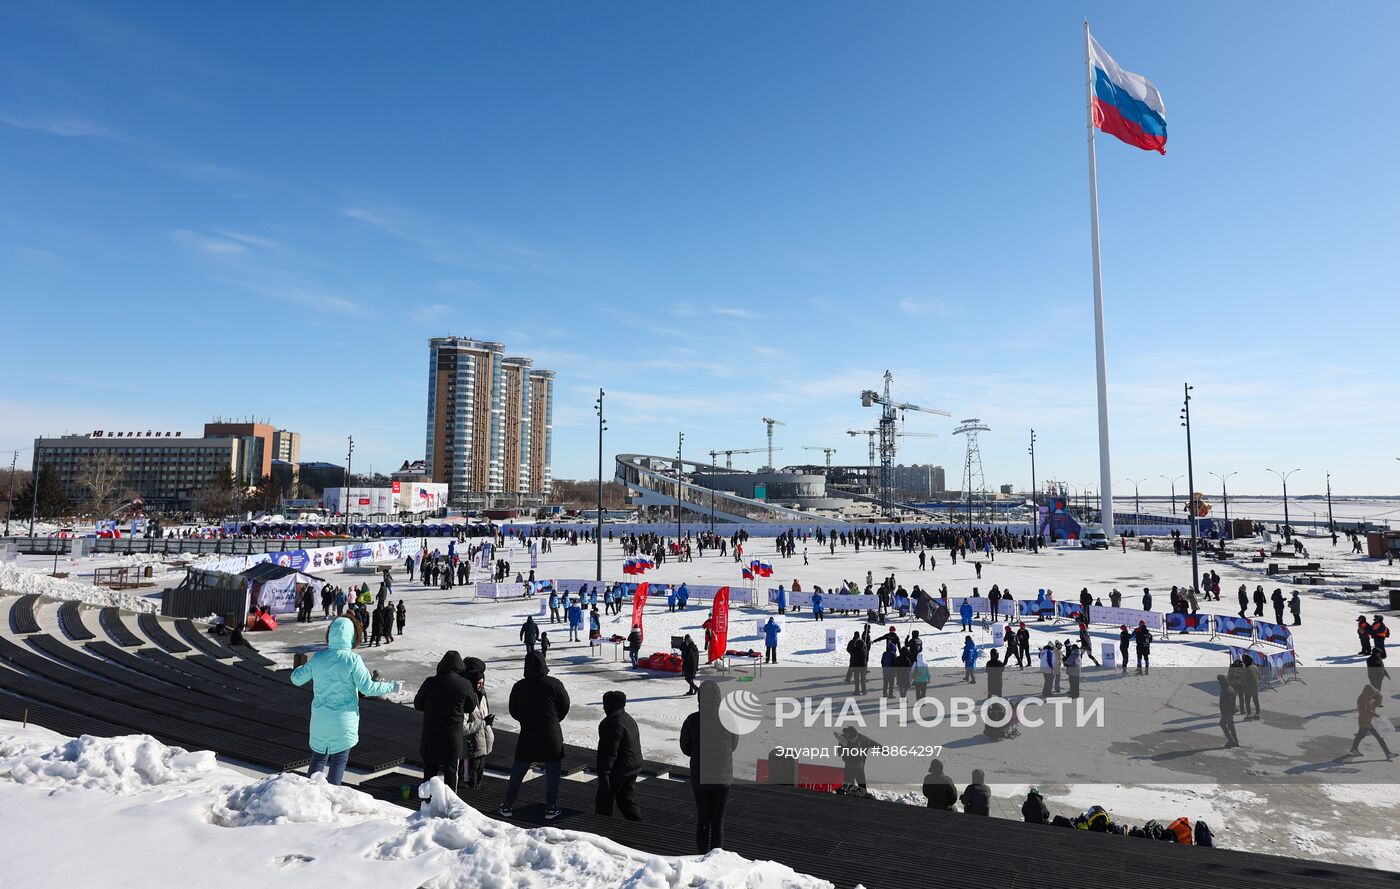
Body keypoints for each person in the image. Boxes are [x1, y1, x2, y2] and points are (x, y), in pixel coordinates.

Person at [289, 616, 399, 785]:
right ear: (351, 636)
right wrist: (391, 687)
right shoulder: (352, 660)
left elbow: (296, 679)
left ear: (331, 634)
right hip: (343, 722)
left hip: (320, 719)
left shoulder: (319, 658)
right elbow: (367, 688)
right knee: (339, 760)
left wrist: (306, 668)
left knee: (318, 758)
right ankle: (332, 797)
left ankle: (308, 796)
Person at [498, 651, 571, 820]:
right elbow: (565, 705)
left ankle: (507, 805)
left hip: (528, 733)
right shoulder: (554, 684)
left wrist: (526, 720)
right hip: (551, 735)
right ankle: (551, 808)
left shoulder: (519, 686)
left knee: (519, 770)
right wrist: (554, 719)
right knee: (553, 771)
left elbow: (513, 710)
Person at [679, 680, 739, 853]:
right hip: (722, 777)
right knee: (718, 821)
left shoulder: (692, 721)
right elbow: (733, 745)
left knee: (703, 819)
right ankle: (715, 859)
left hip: (700, 777)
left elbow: (686, 748)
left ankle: (702, 856)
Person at [414, 650, 476, 794]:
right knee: (451, 775)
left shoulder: (430, 682)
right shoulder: (464, 684)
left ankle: (426, 804)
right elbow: (470, 707)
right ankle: (450, 805)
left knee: (429, 774)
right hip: (452, 738)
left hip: (431, 736)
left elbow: (418, 704)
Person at [595, 690, 643, 820]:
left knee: (604, 801)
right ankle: (638, 827)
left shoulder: (612, 723)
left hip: (620, 769)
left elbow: (609, 752)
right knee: (626, 800)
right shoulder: (627, 718)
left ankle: (602, 829)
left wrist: (604, 774)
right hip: (633, 765)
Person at [462, 662, 494, 790]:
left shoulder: (483, 697)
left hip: (484, 746)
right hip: (472, 749)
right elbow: (463, 728)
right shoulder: (467, 700)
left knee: (479, 780)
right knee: (470, 781)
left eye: (483, 683)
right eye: (478, 683)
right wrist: (484, 723)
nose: (481, 686)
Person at [1348, 684, 1394, 759]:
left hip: (1371, 722)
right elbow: (1364, 711)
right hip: (1365, 722)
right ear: (1368, 692)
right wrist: (1375, 714)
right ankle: (1388, 753)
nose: (1373, 694)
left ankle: (1388, 753)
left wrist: (1379, 695)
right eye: (1372, 692)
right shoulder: (1362, 699)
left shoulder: (1370, 698)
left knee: (1364, 736)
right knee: (1363, 736)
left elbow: (1377, 704)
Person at [1217, 673, 1240, 748]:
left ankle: (1231, 740)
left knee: (1222, 724)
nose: (1219, 683)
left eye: (1219, 681)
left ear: (1222, 682)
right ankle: (1235, 741)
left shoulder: (1226, 690)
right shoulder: (1229, 687)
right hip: (1231, 711)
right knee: (1231, 725)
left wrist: (1224, 712)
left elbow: (1228, 702)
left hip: (1227, 712)